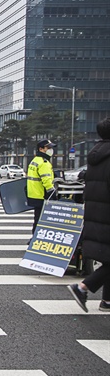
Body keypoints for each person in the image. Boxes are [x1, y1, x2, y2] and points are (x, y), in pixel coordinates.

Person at [67, 118, 110, 312]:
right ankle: (83, 286)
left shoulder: (96, 156)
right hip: (106, 215)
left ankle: (107, 301)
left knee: (108, 258)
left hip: (95, 215)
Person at [26, 138, 56, 235]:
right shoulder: (44, 163)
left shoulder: (35, 160)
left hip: (33, 194)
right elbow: (46, 180)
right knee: (43, 219)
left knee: (37, 218)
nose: (51, 150)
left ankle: (34, 237)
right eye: (48, 148)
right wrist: (52, 192)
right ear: (41, 149)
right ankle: (36, 238)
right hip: (42, 195)